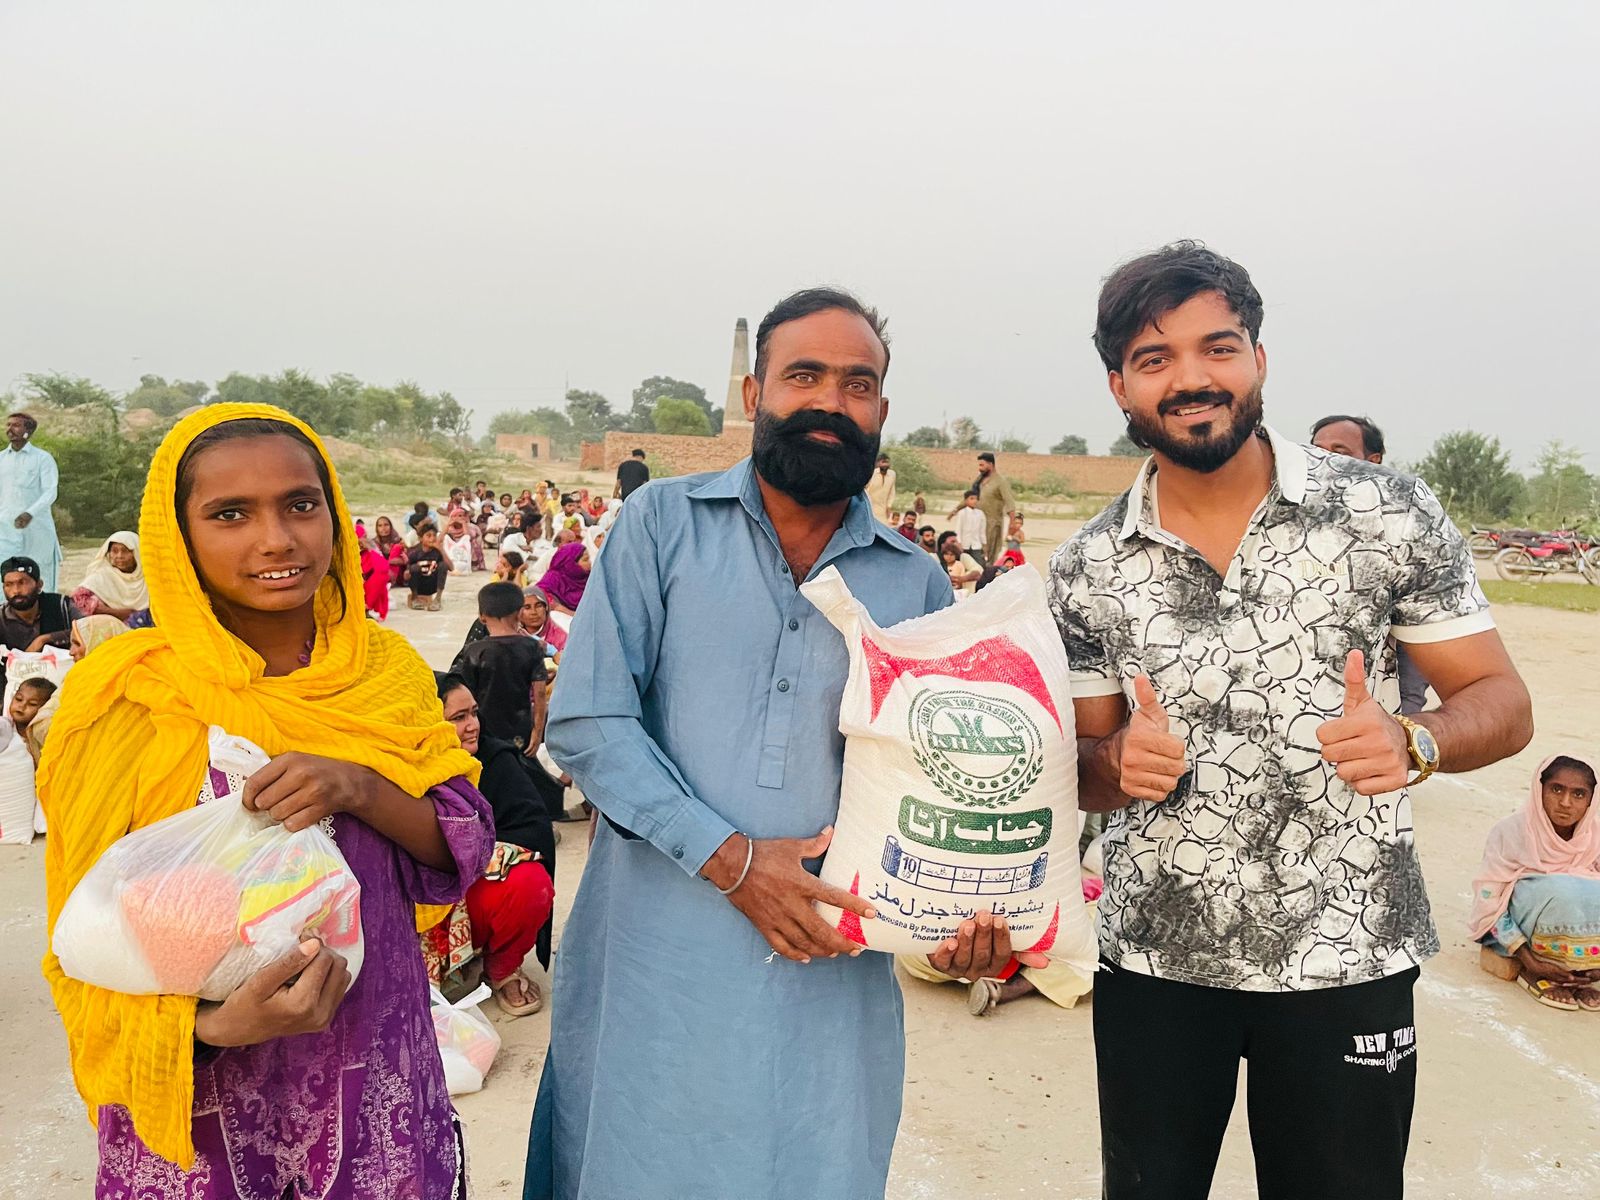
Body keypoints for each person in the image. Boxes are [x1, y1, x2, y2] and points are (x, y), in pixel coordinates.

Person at [1053, 241, 1534, 1200]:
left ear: (1258, 361)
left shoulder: (1385, 513)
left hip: (1348, 954)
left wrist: (1416, 739)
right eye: (1156, 360)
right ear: (1120, 387)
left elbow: (1504, 701)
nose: (1191, 378)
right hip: (1156, 964)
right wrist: (1116, 760)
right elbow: (1081, 767)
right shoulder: (1088, 565)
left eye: (1216, 348)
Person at [526, 287, 1029, 1200]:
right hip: (657, 957)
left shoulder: (915, 581)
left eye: (859, 384)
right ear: (756, 394)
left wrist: (964, 919)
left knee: (812, 1164)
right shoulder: (663, 526)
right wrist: (733, 860)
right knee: (635, 1163)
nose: (832, 403)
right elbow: (591, 722)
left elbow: (941, 783)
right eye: (805, 376)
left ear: (881, 410)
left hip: (827, 969)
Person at [39, 403, 490, 1198]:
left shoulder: (381, 673)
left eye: (300, 504)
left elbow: (459, 843)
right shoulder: (126, 696)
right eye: (230, 514)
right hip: (202, 1119)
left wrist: (357, 786)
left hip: (374, 1082)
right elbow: (86, 940)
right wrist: (212, 1029)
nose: (277, 539)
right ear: (179, 538)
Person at [435, 674, 557, 1016]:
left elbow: (533, 831)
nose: (472, 725)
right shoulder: (406, 768)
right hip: (425, 899)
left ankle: (501, 967)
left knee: (530, 884)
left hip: (478, 891)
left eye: (473, 713)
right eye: (458, 719)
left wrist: (477, 857)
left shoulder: (496, 760)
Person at [1310, 414, 1428, 716]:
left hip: (1376, 708)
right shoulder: (1293, 522)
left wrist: (1405, 723)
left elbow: (1417, 629)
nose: (1323, 457)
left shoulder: (1400, 526)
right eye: (1316, 447)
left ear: (1373, 460)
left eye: (1340, 451)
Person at [1471, 754, 1600, 1011]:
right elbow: (1488, 899)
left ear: (1591, 801)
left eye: (1578, 794)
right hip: (1522, 936)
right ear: (1538, 790)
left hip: (1588, 956)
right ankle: (1539, 971)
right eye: (1556, 789)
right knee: (1561, 890)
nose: (1565, 803)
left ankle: (1582, 973)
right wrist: (1529, 961)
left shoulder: (1594, 835)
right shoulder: (1511, 831)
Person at [450, 581, 548, 755]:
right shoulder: (532, 648)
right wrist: (537, 731)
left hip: (484, 729)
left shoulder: (474, 651)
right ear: (519, 614)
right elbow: (540, 693)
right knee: (521, 766)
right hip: (520, 727)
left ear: (482, 616)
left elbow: (466, 694)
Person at [25, 615, 129, 762]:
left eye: (77, 644)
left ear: (99, 644)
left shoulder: (129, 683)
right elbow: (43, 725)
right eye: (71, 644)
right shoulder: (75, 679)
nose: (71, 651)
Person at [0, 412, 63, 590]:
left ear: (28, 431)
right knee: (6, 574)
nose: (10, 429)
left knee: (39, 574)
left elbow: (50, 492)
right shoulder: (1, 459)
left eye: (16, 425)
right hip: (5, 529)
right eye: (8, 425)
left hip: (37, 529)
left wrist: (30, 513)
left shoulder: (42, 459)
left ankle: (45, 616)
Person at [0, 555, 80, 653]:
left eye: (22, 583)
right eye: (9, 585)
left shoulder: (63, 606)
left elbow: (90, 629)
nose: (16, 591)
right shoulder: (1, 618)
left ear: (39, 584)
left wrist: (45, 639)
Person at [68, 531, 149, 625]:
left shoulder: (150, 578)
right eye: (114, 551)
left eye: (126, 551)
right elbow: (79, 599)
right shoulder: (102, 575)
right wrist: (118, 613)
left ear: (137, 553)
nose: (119, 556)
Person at [953, 451, 1018, 564]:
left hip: (992, 525)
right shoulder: (979, 480)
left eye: (982, 465)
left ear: (991, 464)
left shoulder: (1000, 482)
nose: (980, 468)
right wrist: (956, 510)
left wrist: (1012, 522)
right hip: (975, 522)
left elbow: (1009, 502)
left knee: (988, 554)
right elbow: (969, 497)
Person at [536, 541, 590, 616]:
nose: (590, 562)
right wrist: (563, 610)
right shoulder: (554, 577)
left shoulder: (589, 579)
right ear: (571, 563)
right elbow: (537, 596)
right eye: (585, 560)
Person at [405, 525, 450, 611]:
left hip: (433, 585)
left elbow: (451, 567)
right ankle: (415, 598)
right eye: (428, 536)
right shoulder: (414, 552)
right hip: (419, 585)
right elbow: (407, 570)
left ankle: (437, 599)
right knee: (414, 567)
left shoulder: (437, 552)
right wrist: (407, 573)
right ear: (421, 538)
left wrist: (442, 550)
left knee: (443, 565)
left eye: (434, 536)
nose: (432, 538)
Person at [520, 585, 566, 656]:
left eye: (539, 606)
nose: (534, 612)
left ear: (546, 608)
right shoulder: (512, 633)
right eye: (527, 607)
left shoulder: (561, 639)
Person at [953, 489, 988, 568]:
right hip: (964, 545)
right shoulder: (962, 513)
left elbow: (982, 532)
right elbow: (958, 530)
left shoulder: (980, 514)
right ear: (966, 500)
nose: (974, 501)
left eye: (976, 499)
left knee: (979, 565)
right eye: (971, 498)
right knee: (963, 565)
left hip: (976, 544)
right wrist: (959, 543)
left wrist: (985, 545)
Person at [358, 536, 390, 621]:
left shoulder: (371, 554)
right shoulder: (371, 552)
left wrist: (368, 603)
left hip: (376, 573)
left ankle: (365, 608)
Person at [864, 452, 896, 520]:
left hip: (883, 510)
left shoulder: (892, 474)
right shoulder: (872, 473)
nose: (885, 464)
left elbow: (892, 492)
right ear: (878, 463)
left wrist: (889, 506)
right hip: (869, 508)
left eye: (887, 462)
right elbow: (865, 490)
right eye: (883, 462)